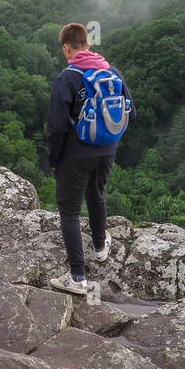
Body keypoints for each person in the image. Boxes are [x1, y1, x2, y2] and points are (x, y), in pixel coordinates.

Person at [45, 22, 135, 296]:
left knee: (70, 212)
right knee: (97, 195)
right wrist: (109, 140)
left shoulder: (67, 78)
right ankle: (99, 248)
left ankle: (77, 278)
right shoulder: (111, 70)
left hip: (75, 155)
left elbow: (57, 126)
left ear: (66, 47)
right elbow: (131, 110)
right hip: (107, 150)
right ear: (87, 43)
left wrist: (54, 159)